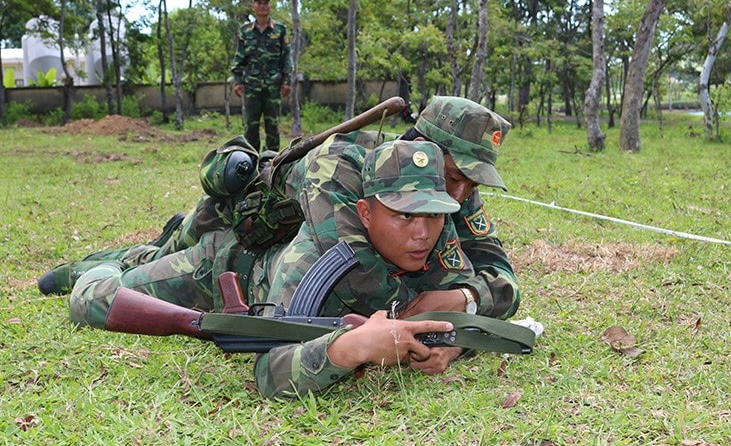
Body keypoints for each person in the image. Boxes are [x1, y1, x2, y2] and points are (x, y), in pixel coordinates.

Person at [40, 96, 520, 324]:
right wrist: (440, 289)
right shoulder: (344, 166)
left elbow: (501, 275)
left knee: (150, 258)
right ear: (420, 145)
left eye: (469, 182)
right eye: (456, 176)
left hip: (263, 258)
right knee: (143, 264)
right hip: (234, 226)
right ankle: (87, 268)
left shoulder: (450, 190)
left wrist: (465, 299)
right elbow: (357, 274)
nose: (458, 197)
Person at [69, 140, 479, 398]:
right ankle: (105, 262)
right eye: (404, 217)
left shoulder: (433, 235)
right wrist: (353, 348)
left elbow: (481, 292)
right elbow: (269, 372)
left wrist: (455, 338)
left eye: (433, 215)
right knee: (95, 297)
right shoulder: (316, 257)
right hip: (223, 268)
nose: (423, 233)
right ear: (365, 213)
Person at [232, 0, 292, 152]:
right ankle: (250, 161)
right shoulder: (245, 31)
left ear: (270, 6)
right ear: (253, 6)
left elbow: (286, 56)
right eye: (259, 3)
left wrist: (287, 81)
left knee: (273, 126)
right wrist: (237, 81)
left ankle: (270, 162)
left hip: (273, 86)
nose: (263, 6)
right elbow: (239, 57)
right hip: (251, 86)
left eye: (266, 3)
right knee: (250, 127)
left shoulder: (280, 30)